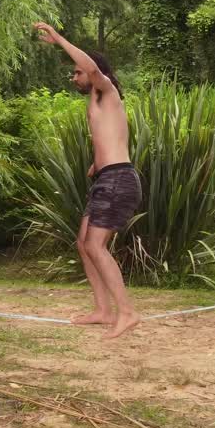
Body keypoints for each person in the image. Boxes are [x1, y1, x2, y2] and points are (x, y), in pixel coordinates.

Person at [33, 22, 143, 339]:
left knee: (96, 245)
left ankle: (127, 312)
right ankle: (103, 311)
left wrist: (57, 39)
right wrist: (97, 164)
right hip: (108, 177)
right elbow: (113, 138)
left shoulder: (106, 90)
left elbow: (91, 66)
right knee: (83, 244)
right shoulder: (95, 105)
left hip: (119, 180)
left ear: (92, 73)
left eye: (76, 73)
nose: (74, 78)